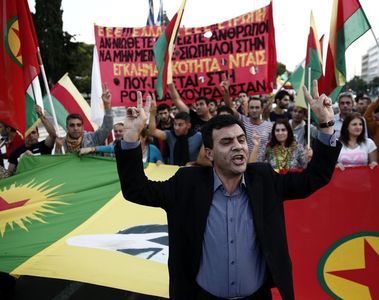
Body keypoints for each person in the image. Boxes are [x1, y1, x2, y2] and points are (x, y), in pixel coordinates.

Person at [114, 81, 341, 299]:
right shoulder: (187, 183)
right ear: (210, 153)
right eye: (226, 142)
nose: (238, 147)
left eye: (241, 140)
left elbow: (315, 177)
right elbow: (137, 190)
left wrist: (326, 125)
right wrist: (131, 137)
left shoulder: (264, 179)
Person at [56, 84, 113, 153]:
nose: (76, 128)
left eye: (78, 125)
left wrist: (107, 105)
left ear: (83, 127)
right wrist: (58, 148)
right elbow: (58, 162)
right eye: (72, 125)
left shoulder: (92, 138)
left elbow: (107, 127)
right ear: (67, 127)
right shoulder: (61, 143)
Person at [148, 93, 202, 166]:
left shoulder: (199, 136)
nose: (176, 128)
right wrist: (152, 113)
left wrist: (195, 164)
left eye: (180, 125)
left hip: (193, 173)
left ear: (188, 125)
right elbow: (152, 131)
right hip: (173, 172)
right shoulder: (170, 135)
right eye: (175, 124)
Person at [7, 105, 57, 175]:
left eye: (33, 132)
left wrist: (41, 116)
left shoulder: (44, 146)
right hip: (27, 184)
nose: (31, 136)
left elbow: (53, 134)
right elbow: (10, 174)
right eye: (28, 133)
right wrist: (22, 159)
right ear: (23, 136)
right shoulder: (15, 152)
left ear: (38, 134)